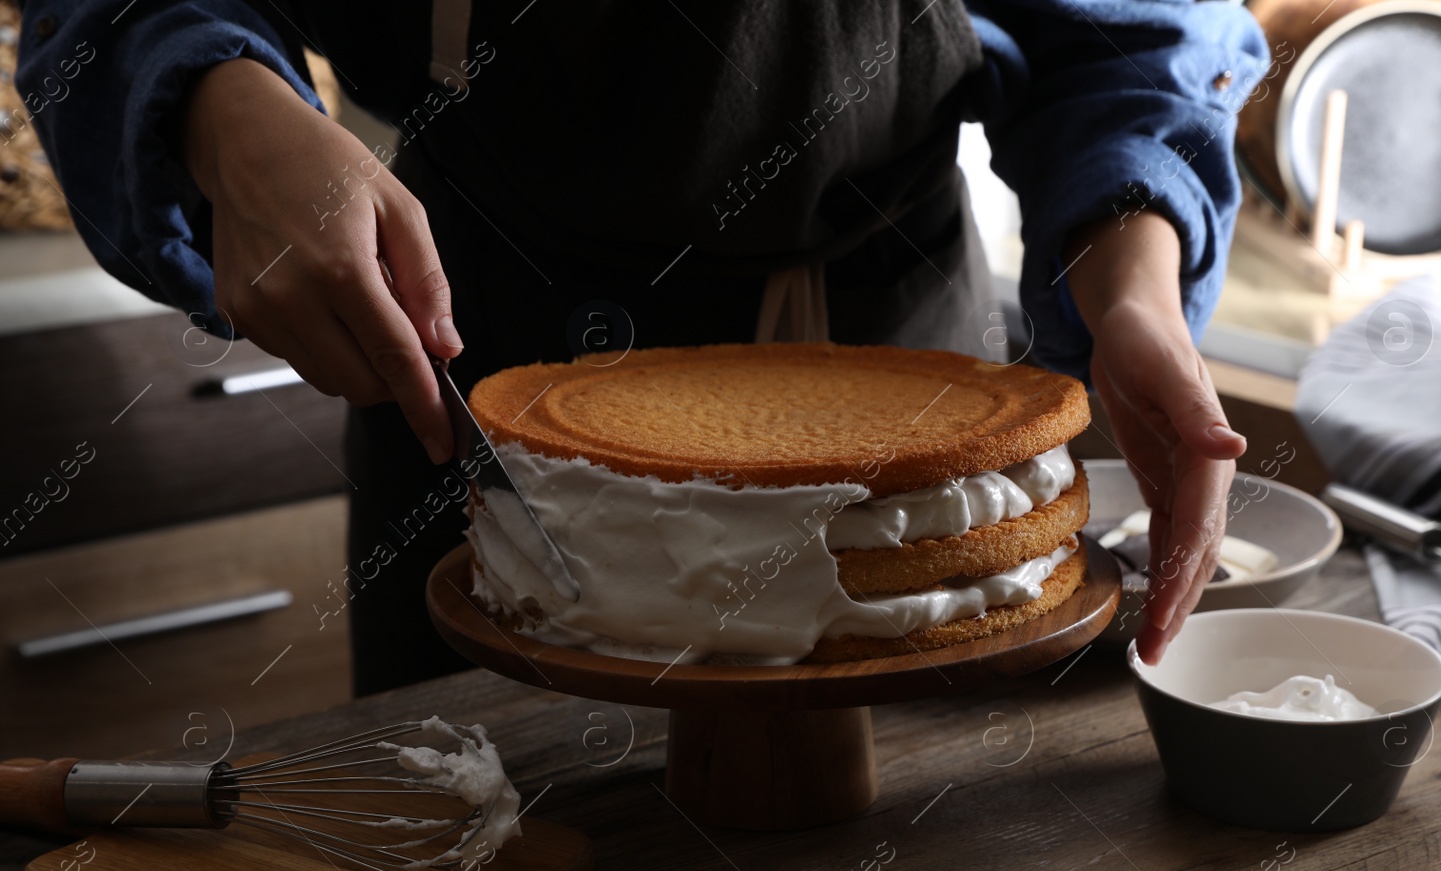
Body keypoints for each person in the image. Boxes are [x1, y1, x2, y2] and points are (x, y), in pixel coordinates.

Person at [20, 0, 1266, 693]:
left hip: (906, 423)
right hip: (478, 394)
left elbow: (1129, 35)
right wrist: (226, 109)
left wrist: (1136, 278)